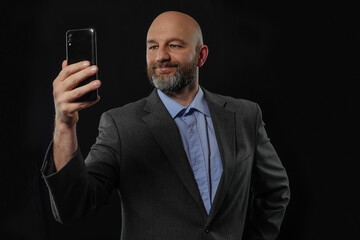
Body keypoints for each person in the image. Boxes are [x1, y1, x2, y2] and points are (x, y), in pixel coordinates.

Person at [42, 11, 290, 240]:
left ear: (201, 56)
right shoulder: (120, 125)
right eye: (153, 46)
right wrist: (64, 123)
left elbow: (275, 192)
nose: (161, 55)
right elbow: (73, 206)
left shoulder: (245, 115)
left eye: (174, 45)